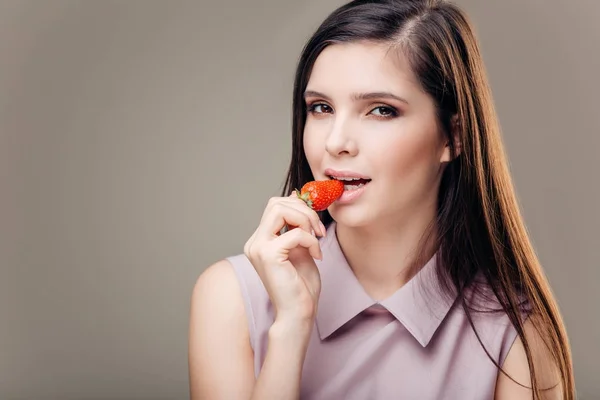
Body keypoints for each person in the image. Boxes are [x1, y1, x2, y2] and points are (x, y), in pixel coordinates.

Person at [188, 0, 575, 398]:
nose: (335, 143)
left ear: (453, 137)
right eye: (320, 108)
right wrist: (290, 328)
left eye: (380, 110)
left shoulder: (515, 332)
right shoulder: (231, 297)